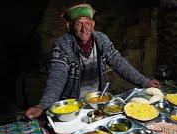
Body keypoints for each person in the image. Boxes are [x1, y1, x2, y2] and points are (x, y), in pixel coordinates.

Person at [24, 3, 160, 119]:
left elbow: (119, 63)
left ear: (93, 24)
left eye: (87, 23)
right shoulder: (62, 45)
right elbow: (57, 76)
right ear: (69, 26)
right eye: (79, 24)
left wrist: (144, 81)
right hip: (74, 105)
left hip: (99, 100)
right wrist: (42, 106)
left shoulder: (101, 40)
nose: (84, 29)